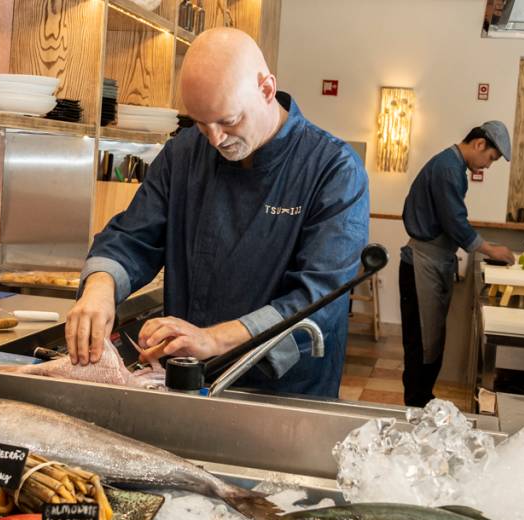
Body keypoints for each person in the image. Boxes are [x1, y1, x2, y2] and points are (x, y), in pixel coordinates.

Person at [65, 28, 369, 397]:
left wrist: (213, 339)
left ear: (266, 89)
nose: (215, 139)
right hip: (190, 384)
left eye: (228, 121)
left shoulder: (334, 169)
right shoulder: (184, 154)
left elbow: (318, 296)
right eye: (199, 122)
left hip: (286, 393)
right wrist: (99, 288)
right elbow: (133, 236)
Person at [400, 122, 516, 407]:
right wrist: (491, 249)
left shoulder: (452, 166)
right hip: (422, 264)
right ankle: (416, 410)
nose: (487, 166)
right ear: (479, 144)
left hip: (433, 262)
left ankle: (422, 405)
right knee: (423, 346)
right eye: (490, 158)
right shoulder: (447, 168)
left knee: (432, 343)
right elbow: (455, 222)